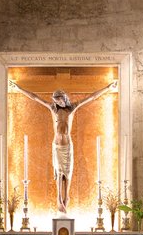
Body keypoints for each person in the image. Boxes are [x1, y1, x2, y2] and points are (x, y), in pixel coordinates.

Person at [9, 78, 118, 215]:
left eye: (60, 99)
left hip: (67, 146)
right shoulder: (53, 109)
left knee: (67, 172)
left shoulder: (72, 108)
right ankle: (59, 199)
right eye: (56, 100)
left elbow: (91, 97)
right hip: (57, 146)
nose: (58, 102)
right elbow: (35, 97)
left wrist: (108, 87)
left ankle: (66, 197)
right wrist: (18, 88)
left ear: (64, 98)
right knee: (59, 172)